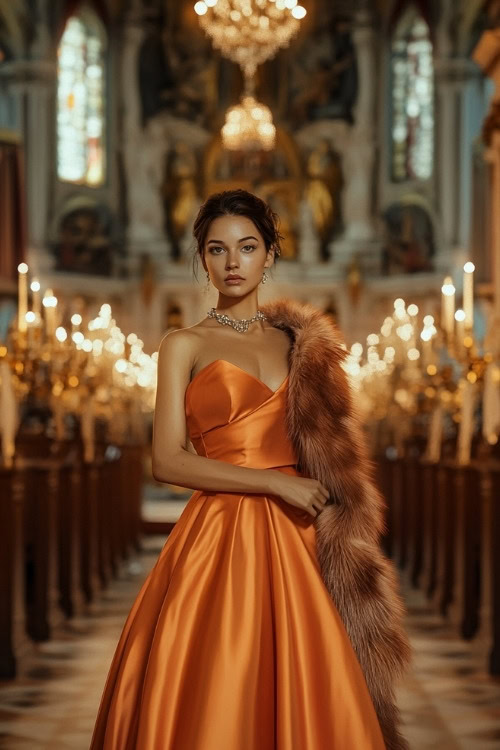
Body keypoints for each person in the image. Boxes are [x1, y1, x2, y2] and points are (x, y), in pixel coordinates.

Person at [89, 189, 410, 749]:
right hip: (218, 534)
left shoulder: (301, 346)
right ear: (202, 258)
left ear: (269, 255)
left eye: (247, 247)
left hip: (301, 537)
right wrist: (269, 480)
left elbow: (331, 449)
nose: (232, 262)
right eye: (217, 249)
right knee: (218, 685)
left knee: (314, 679)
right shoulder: (182, 344)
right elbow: (167, 460)